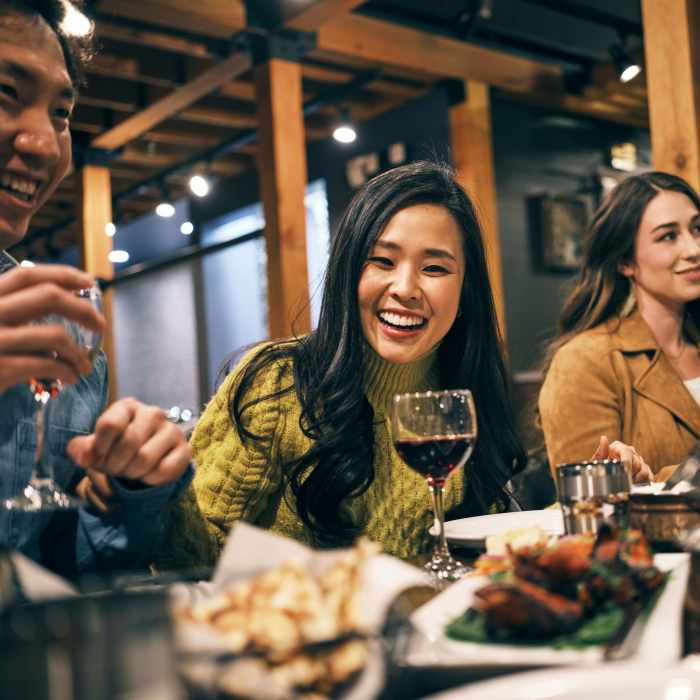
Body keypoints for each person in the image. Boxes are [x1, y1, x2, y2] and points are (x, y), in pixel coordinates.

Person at [162, 161, 526, 567]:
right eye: (383, 261)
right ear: (348, 272)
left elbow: (498, 553)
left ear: (465, 290)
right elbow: (191, 558)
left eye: (435, 268)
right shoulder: (279, 382)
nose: (405, 289)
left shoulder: (464, 396)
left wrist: (594, 507)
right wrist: (156, 489)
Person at [0, 0, 192, 577]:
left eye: (60, 113)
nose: (43, 143)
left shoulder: (55, 326)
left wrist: (132, 487)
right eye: (6, 92)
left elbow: (61, 561)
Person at [539, 171, 700, 484]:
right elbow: (588, 500)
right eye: (668, 236)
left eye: (697, 229)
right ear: (625, 261)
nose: (694, 249)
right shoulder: (584, 361)